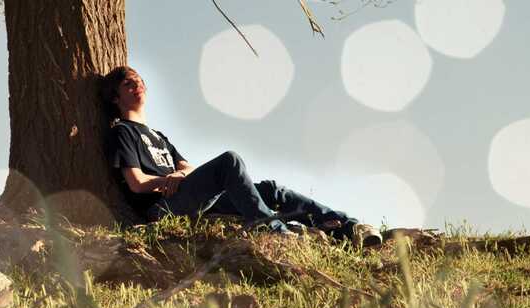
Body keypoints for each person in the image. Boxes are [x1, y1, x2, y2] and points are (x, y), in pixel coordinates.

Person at [101, 66, 382, 246]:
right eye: (128, 84)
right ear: (116, 99)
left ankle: (345, 226)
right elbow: (137, 183)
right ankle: (273, 233)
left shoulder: (159, 136)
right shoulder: (123, 132)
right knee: (229, 161)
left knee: (270, 190)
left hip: (190, 197)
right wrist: (166, 181)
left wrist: (179, 175)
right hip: (161, 208)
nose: (137, 85)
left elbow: (187, 167)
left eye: (139, 81)